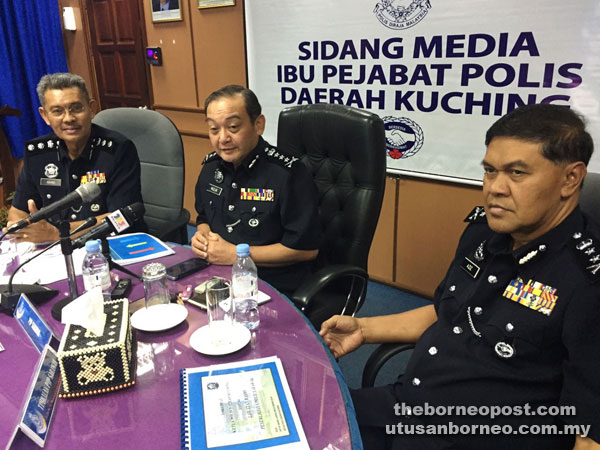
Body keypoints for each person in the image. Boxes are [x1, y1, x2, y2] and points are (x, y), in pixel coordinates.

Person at [321, 104, 600, 450]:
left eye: (516, 173)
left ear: (570, 179)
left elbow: (589, 433)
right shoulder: (484, 233)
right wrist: (364, 329)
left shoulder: (587, 279)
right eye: (490, 170)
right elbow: (447, 312)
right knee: (309, 418)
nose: (495, 188)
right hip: (412, 405)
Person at [191, 85, 321, 297]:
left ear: (258, 125)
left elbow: (306, 250)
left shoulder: (288, 174)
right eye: (214, 129)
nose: (222, 138)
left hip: (272, 283)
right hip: (217, 276)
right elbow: (203, 217)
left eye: (233, 127)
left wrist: (235, 255)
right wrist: (202, 236)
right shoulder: (210, 168)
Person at [7, 73, 146, 243]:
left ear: (91, 108)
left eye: (76, 108)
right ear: (44, 116)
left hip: (109, 246)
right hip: (52, 251)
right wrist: (20, 229)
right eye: (57, 111)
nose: (68, 118)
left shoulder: (118, 150)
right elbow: (18, 211)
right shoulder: (38, 153)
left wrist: (57, 234)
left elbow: (123, 217)